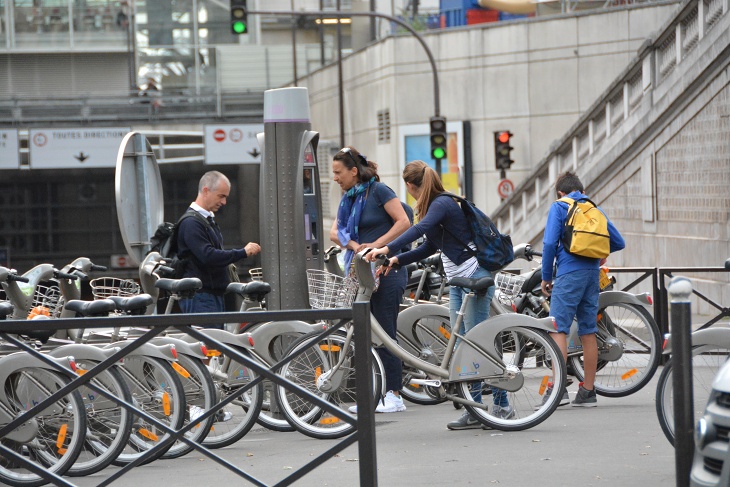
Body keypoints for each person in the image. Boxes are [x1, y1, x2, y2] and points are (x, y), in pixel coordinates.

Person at [367, 160, 511, 430]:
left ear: (411, 186)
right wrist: (396, 260)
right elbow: (426, 247)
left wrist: (385, 249)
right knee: (461, 346)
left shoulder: (441, 204)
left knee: (477, 343)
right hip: (459, 281)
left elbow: (418, 230)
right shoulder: (437, 208)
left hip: (474, 276)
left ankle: (503, 406)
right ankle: (474, 409)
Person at [328, 146, 411, 414]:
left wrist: (376, 246)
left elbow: (404, 222)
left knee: (385, 331)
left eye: (338, 172)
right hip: (361, 271)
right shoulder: (349, 198)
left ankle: (395, 394)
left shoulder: (379, 191)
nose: (335, 178)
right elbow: (335, 232)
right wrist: (355, 245)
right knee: (363, 333)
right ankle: (373, 393)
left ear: (354, 171)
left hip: (387, 270)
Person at [540, 171, 625, 407]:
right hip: (591, 276)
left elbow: (548, 244)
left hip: (568, 274)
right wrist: (599, 254)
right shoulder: (592, 207)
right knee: (588, 331)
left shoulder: (560, 206)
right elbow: (618, 241)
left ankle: (558, 392)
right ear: (582, 190)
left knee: (557, 328)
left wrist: (546, 276)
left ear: (560, 192)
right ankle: (588, 392)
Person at [177, 171, 261, 322]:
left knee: (215, 343)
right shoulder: (191, 223)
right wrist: (243, 252)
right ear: (206, 191)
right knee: (210, 344)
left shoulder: (206, 220)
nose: (224, 202)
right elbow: (208, 256)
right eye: (221, 196)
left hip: (210, 295)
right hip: (200, 297)